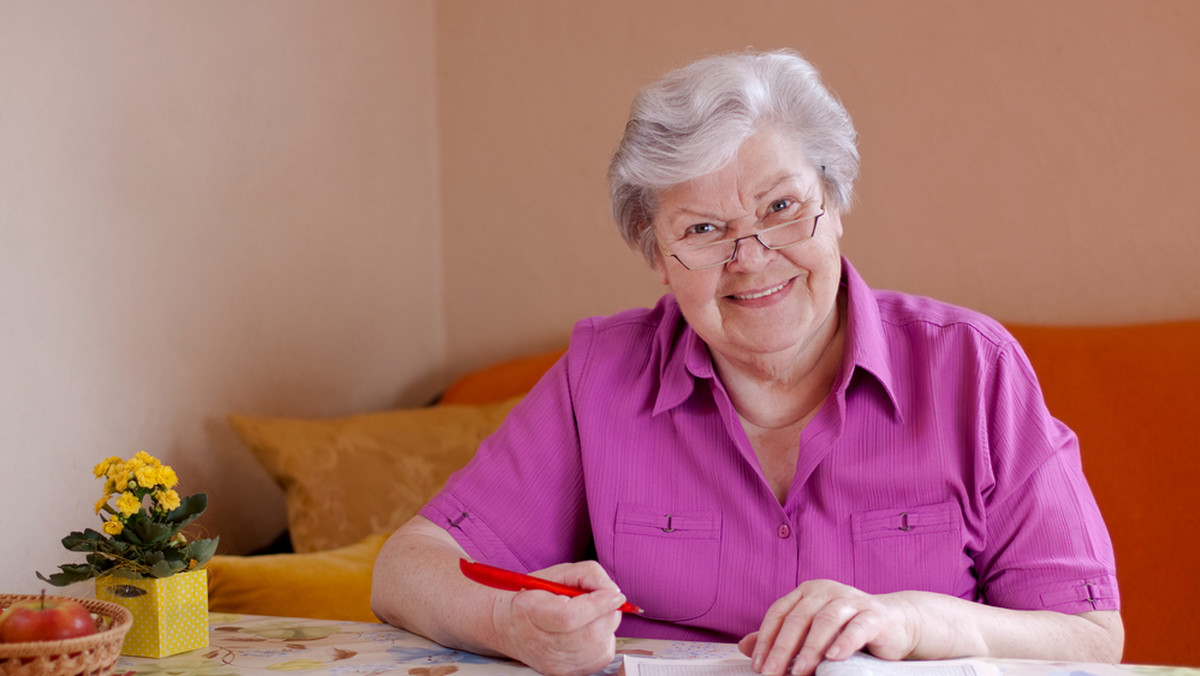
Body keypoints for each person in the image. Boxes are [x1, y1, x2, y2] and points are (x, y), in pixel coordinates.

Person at [371, 49, 1123, 676]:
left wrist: (917, 620)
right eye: (702, 229)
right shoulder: (600, 376)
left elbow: (1092, 638)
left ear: (834, 200)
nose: (751, 258)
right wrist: (512, 622)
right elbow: (407, 569)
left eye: (780, 208)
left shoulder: (974, 371)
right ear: (659, 259)